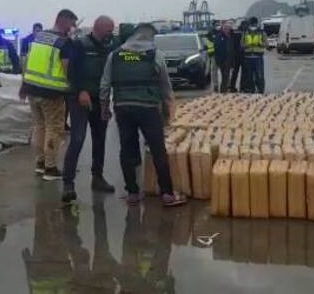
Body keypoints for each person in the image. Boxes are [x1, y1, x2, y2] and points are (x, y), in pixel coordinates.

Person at [100, 23, 187, 207]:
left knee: (127, 149)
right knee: (157, 150)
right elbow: (165, 86)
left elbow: (105, 85)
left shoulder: (115, 55)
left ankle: (132, 192)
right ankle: (167, 193)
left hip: (123, 108)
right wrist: (168, 110)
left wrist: (104, 108)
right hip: (148, 108)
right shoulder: (155, 54)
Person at [61, 15, 117, 203]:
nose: (111, 33)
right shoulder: (80, 45)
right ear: (98, 28)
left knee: (100, 138)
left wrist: (107, 102)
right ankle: (68, 183)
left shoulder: (109, 47)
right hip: (80, 98)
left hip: (99, 99)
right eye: (109, 30)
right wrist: (81, 90)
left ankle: (97, 177)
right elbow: (71, 71)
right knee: (77, 139)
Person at [20, 9, 78, 181]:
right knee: (54, 128)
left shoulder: (39, 37)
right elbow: (68, 68)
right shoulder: (64, 42)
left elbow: (27, 62)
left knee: (39, 126)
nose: (73, 27)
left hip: (32, 88)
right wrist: (74, 87)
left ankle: (40, 163)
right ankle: (50, 168)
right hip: (51, 92)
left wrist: (24, 85)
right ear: (63, 21)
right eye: (72, 23)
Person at [241, 16, 266, 94]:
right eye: (251, 24)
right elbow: (241, 44)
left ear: (256, 23)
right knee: (249, 76)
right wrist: (246, 45)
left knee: (259, 75)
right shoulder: (245, 32)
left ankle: (260, 90)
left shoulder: (261, 32)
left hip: (258, 57)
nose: (252, 25)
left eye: (253, 23)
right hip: (248, 57)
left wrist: (260, 44)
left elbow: (266, 43)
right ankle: (251, 90)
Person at [214, 21, 237, 93]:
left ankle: (224, 89)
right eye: (225, 28)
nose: (227, 30)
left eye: (228, 28)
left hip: (229, 59)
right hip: (222, 59)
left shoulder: (231, 36)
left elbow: (233, 48)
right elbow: (217, 48)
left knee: (226, 75)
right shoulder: (219, 36)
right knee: (224, 75)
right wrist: (218, 60)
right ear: (223, 29)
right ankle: (223, 90)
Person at [230, 21, 246, 92]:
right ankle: (242, 87)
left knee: (235, 72)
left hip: (235, 55)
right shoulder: (245, 32)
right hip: (243, 54)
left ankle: (232, 87)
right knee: (244, 72)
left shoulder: (235, 32)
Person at [206, 21, 219, 92]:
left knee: (225, 71)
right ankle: (215, 85)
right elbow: (208, 44)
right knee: (214, 70)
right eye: (216, 25)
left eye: (218, 25)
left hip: (221, 54)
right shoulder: (210, 33)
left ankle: (226, 84)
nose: (217, 26)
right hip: (213, 54)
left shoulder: (221, 32)